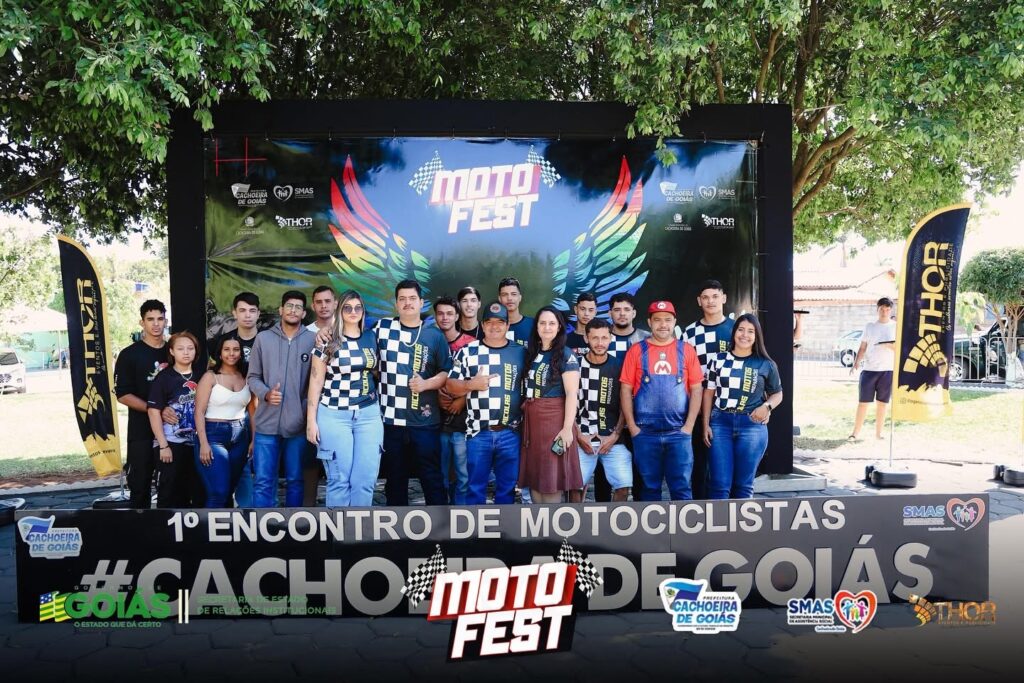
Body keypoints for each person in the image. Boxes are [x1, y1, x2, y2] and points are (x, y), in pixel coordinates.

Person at [375, 280, 452, 506]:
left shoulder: (434, 335)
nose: (407, 303)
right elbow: (356, 340)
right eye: (402, 299)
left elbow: (446, 371)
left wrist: (426, 384)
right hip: (391, 420)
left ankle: (440, 524)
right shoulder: (382, 328)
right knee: (395, 478)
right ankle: (396, 526)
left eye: (412, 298)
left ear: (421, 302)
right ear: (396, 303)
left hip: (424, 420)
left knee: (431, 476)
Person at [620, 300, 703, 501]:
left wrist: (689, 427)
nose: (663, 324)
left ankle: (684, 524)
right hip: (645, 434)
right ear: (649, 322)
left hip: (679, 433)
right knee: (649, 490)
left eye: (667, 319)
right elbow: (625, 389)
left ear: (674, 322)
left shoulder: (687, 350)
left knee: (682, 489)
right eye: (657, 320)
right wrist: (632, 427)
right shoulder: (636, 351)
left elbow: (697, 389)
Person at [306, 290, 383, 507]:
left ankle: (359, 528)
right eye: (347, 307)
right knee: (339, 480)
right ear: (340, 310)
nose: (353, 312)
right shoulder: (327, 339)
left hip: (368, 414)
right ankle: (338, 529)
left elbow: (375, 371)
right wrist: (311, 421)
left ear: (363, 311)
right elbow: (315, 382)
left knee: (365, 481)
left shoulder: (371, 337)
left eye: (358, 307)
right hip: (334, 414)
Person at [446, 301, 527, 504]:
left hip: (511, 432)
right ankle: (476, 526)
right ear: (482, 325)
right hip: (478, 432)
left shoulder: (521, 352)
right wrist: (470, 385)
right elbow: (450, 385)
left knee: (507, 489)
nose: (494, 326)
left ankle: (504, 525)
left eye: (500, 322)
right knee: (474, 489)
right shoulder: (468, 351)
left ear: (508, 325)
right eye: (489, 322)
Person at [247, 290, 316, 507]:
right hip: (266, 424)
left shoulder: (313, 340)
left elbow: (317, 382)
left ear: (303, 313)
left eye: (298, 307)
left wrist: (305, 412)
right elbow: (252, 377)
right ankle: (262, 525)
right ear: (281, 310)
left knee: (295, 480)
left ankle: (294, 524)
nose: (293, 310)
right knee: (263, 481)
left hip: (297, 426)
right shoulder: (263, 338)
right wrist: (266, 393)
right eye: (289, 306)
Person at [703, 314, 783, 499]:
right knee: (719, 485)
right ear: (734, 333)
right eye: (741, 330)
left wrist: (767, 407)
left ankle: (741, 519)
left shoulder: (766, 364)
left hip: (752, 425)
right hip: (720, 424)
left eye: (750, 331)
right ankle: (719, 519)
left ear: (757, 336)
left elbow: (778, 394)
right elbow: (708, 393)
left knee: (743, 486)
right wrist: (705, 424)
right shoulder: (718, 360)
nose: (745, 335)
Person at [519, 306, 582, 503]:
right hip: (532, 422)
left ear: (559, 327)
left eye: (552, 323)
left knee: (550, 479)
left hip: (554, 421)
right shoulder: (532, 353)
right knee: (535, 478)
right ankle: (539, 520)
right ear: (536, 326)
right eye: (543, 323)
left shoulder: (565, 354)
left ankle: (551, 523)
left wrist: (567, 429)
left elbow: (572, 393)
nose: (547, 327)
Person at [115, 299, 171, 509]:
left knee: (171, 485)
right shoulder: (129, 354)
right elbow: (122, 395)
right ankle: (140, 527)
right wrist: (155, 410)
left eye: (160, 319)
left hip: (173, 428)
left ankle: (168, 527)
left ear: (166, 321)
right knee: (140, 484)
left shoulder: (176, 350)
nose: (156, 324)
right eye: (150, 319)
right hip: (141, 429)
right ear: (142, 322)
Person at [682, 279, 735, 500]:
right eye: (705, 297)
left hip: (729, 407)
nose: (710, 301)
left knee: (726, 464)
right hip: (698, 407)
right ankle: (699, 510)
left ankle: (728, 510)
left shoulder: (736, 329)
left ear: (724, 298)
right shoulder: (689, 333)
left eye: (715, 296)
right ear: (699, 301)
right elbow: (683, 372)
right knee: (699, 464)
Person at [570, 318, 631, 503]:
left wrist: (615, 435)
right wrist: (579, 435)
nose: (600, 343)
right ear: (586, 338)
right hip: (582, 437)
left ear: (610, 338)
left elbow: (625, 405)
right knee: (574, 486)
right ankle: (575, 521)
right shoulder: (574, 366)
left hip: (613, 438)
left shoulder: (620, 366)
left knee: (623, 486)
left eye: (604, 338)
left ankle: (615, 521)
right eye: (595, 338)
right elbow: (567, 404)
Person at [211, 291, 260, 506]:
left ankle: (256, 513)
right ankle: (231, 513)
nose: (247, 315)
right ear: (234, 313)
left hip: (264, 410)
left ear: (258, 313)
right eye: (242, 310)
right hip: (235, 413)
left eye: (252, 310)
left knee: (261, 467)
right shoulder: (226, 340)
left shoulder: (266, 339)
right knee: (235, 470)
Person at [194, 336, 255, 507]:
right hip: (213, 435)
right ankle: (209, 525)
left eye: (236, 350)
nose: (231, 354)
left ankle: (226, 524)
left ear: (241, 353)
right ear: (220, 354)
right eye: (227, 349)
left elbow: (253, 411)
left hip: (240, 436)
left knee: (228, 490)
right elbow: (198, 412)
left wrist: (254, 439)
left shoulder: (246, 377)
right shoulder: (210, 377)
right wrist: (203, 443)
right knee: (218, 492)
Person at [147, 331, 204, 508]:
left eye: (190, 348)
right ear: (171, 351)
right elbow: (153, 412)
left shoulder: (203, 376)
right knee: (170, 493)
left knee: (198, 492)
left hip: (197, 444)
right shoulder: (164, 378)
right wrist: (163, 445)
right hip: (171, 443)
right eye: (180, 348)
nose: (186, 352)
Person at [434, 296, 476, 504]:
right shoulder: (431, 339)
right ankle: (441, 514)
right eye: (440, 313)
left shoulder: (471, 344)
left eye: (450, 313)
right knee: (440, 471)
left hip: (463, 419)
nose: (445, 318)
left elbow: (479, 379)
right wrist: (437, 394)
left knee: (462, 472)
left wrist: (463, 398)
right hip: (435, 417)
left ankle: (462, 513)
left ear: (457, 316)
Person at [300, 285, 338, 505]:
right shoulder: (305, 333)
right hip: (311, 405)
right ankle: (308, 510)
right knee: (310, 460)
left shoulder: (347, 329)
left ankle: (341, 511)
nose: (324, 306)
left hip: (340, 407)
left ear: (335, 303)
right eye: (319, 302)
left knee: (339, 462)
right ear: (313, 305)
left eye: (328, 301)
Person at [849, 297, 896, 441]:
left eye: (887, 309)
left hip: (887, 371)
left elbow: (900, 349)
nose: (884, 312)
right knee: (863, 403)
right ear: (877, 309)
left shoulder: (895, 327)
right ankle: (855, 433)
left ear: (891, 310)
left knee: (882, 404)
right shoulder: (869, 327)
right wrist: (856, 363)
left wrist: (890, 346)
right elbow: (863, 347)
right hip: (869, 370)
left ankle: (878, 434)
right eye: (882, 309)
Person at [499, 276, 534, 346]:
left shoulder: (533, 324)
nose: (509, 298)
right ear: (499, 299)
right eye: (505, 294)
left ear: (520, 297)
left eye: (514, 294)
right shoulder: (493, 327)